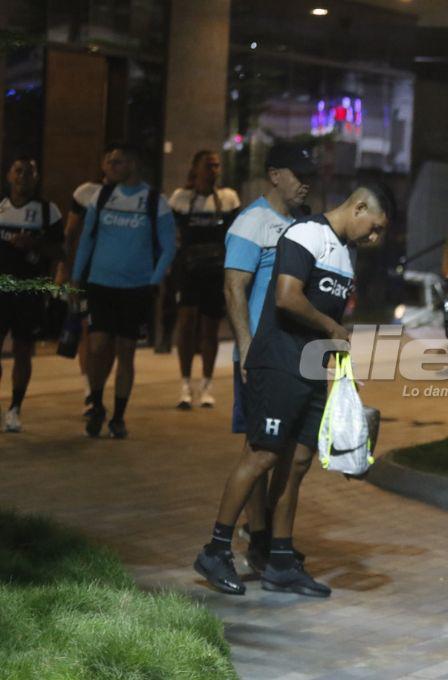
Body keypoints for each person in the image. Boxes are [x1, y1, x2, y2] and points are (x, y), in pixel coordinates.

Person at [193, 181, 393, 598]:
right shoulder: (305, 234)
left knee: (299, 461)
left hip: (313, 367)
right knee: (263, 454)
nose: (374, 238)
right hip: (280, 361)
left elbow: (330, 316)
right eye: (373, 227)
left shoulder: (345, 253)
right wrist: (333, 329)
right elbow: (286, 297)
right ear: (358, 206)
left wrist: (343, 369)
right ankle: (215, 549)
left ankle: (281, 561)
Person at [223, 143, 314, 572]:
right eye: (297, 173)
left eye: (309, 174)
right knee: (260, 447)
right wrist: (245, 346)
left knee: (288, 450)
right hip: (260, 356)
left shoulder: (305, 225)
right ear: (275, 175)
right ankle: (255, 536)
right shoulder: (253, 222)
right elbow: (234, 287)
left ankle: (270, 538)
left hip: (295, 356)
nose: (305, 181)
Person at [71, 142, 176, 439]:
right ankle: (96, 404)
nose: (110, 167)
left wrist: (154, 280)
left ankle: (118, 415)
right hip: (100, 284)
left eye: (117, 162)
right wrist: (78, 278)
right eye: (110, 162)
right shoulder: (102, 196)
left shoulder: (155, 200)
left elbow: (169, 247)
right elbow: (87, 240)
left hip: (136, 288)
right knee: (97, 346)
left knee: (126, 351)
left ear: (132, 164)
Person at [169, 151, 241, 409]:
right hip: (188, 271)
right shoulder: (181, 199)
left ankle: (207, 385)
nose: (214, 170)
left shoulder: (228, 198)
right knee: (186, 324)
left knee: (210, 328)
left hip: (215, 271)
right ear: (196, 168)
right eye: (209, 165)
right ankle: (185, 384)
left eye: (217, 166)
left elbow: (237, 236)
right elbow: (170, 234)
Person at [0, 156, 64, 432]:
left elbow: (61, 253)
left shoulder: (49, 212)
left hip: (29, 290)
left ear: (36, 178)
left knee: (23, 350)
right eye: (18, 171)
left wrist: (33, 244)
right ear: (8, 176)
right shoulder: (0, 208)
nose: (23, 177)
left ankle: (15, 408)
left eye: (29, 172)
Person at [60, 148, 116, 417]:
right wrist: (65, 270)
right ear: (103, 164)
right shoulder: (86, 193)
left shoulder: (136, 196)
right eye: (110, 160)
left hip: (120, 275)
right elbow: (70, 235)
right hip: (88, 274)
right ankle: (89, 391)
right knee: (87, 330)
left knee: (111, 338)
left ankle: (99, 388)